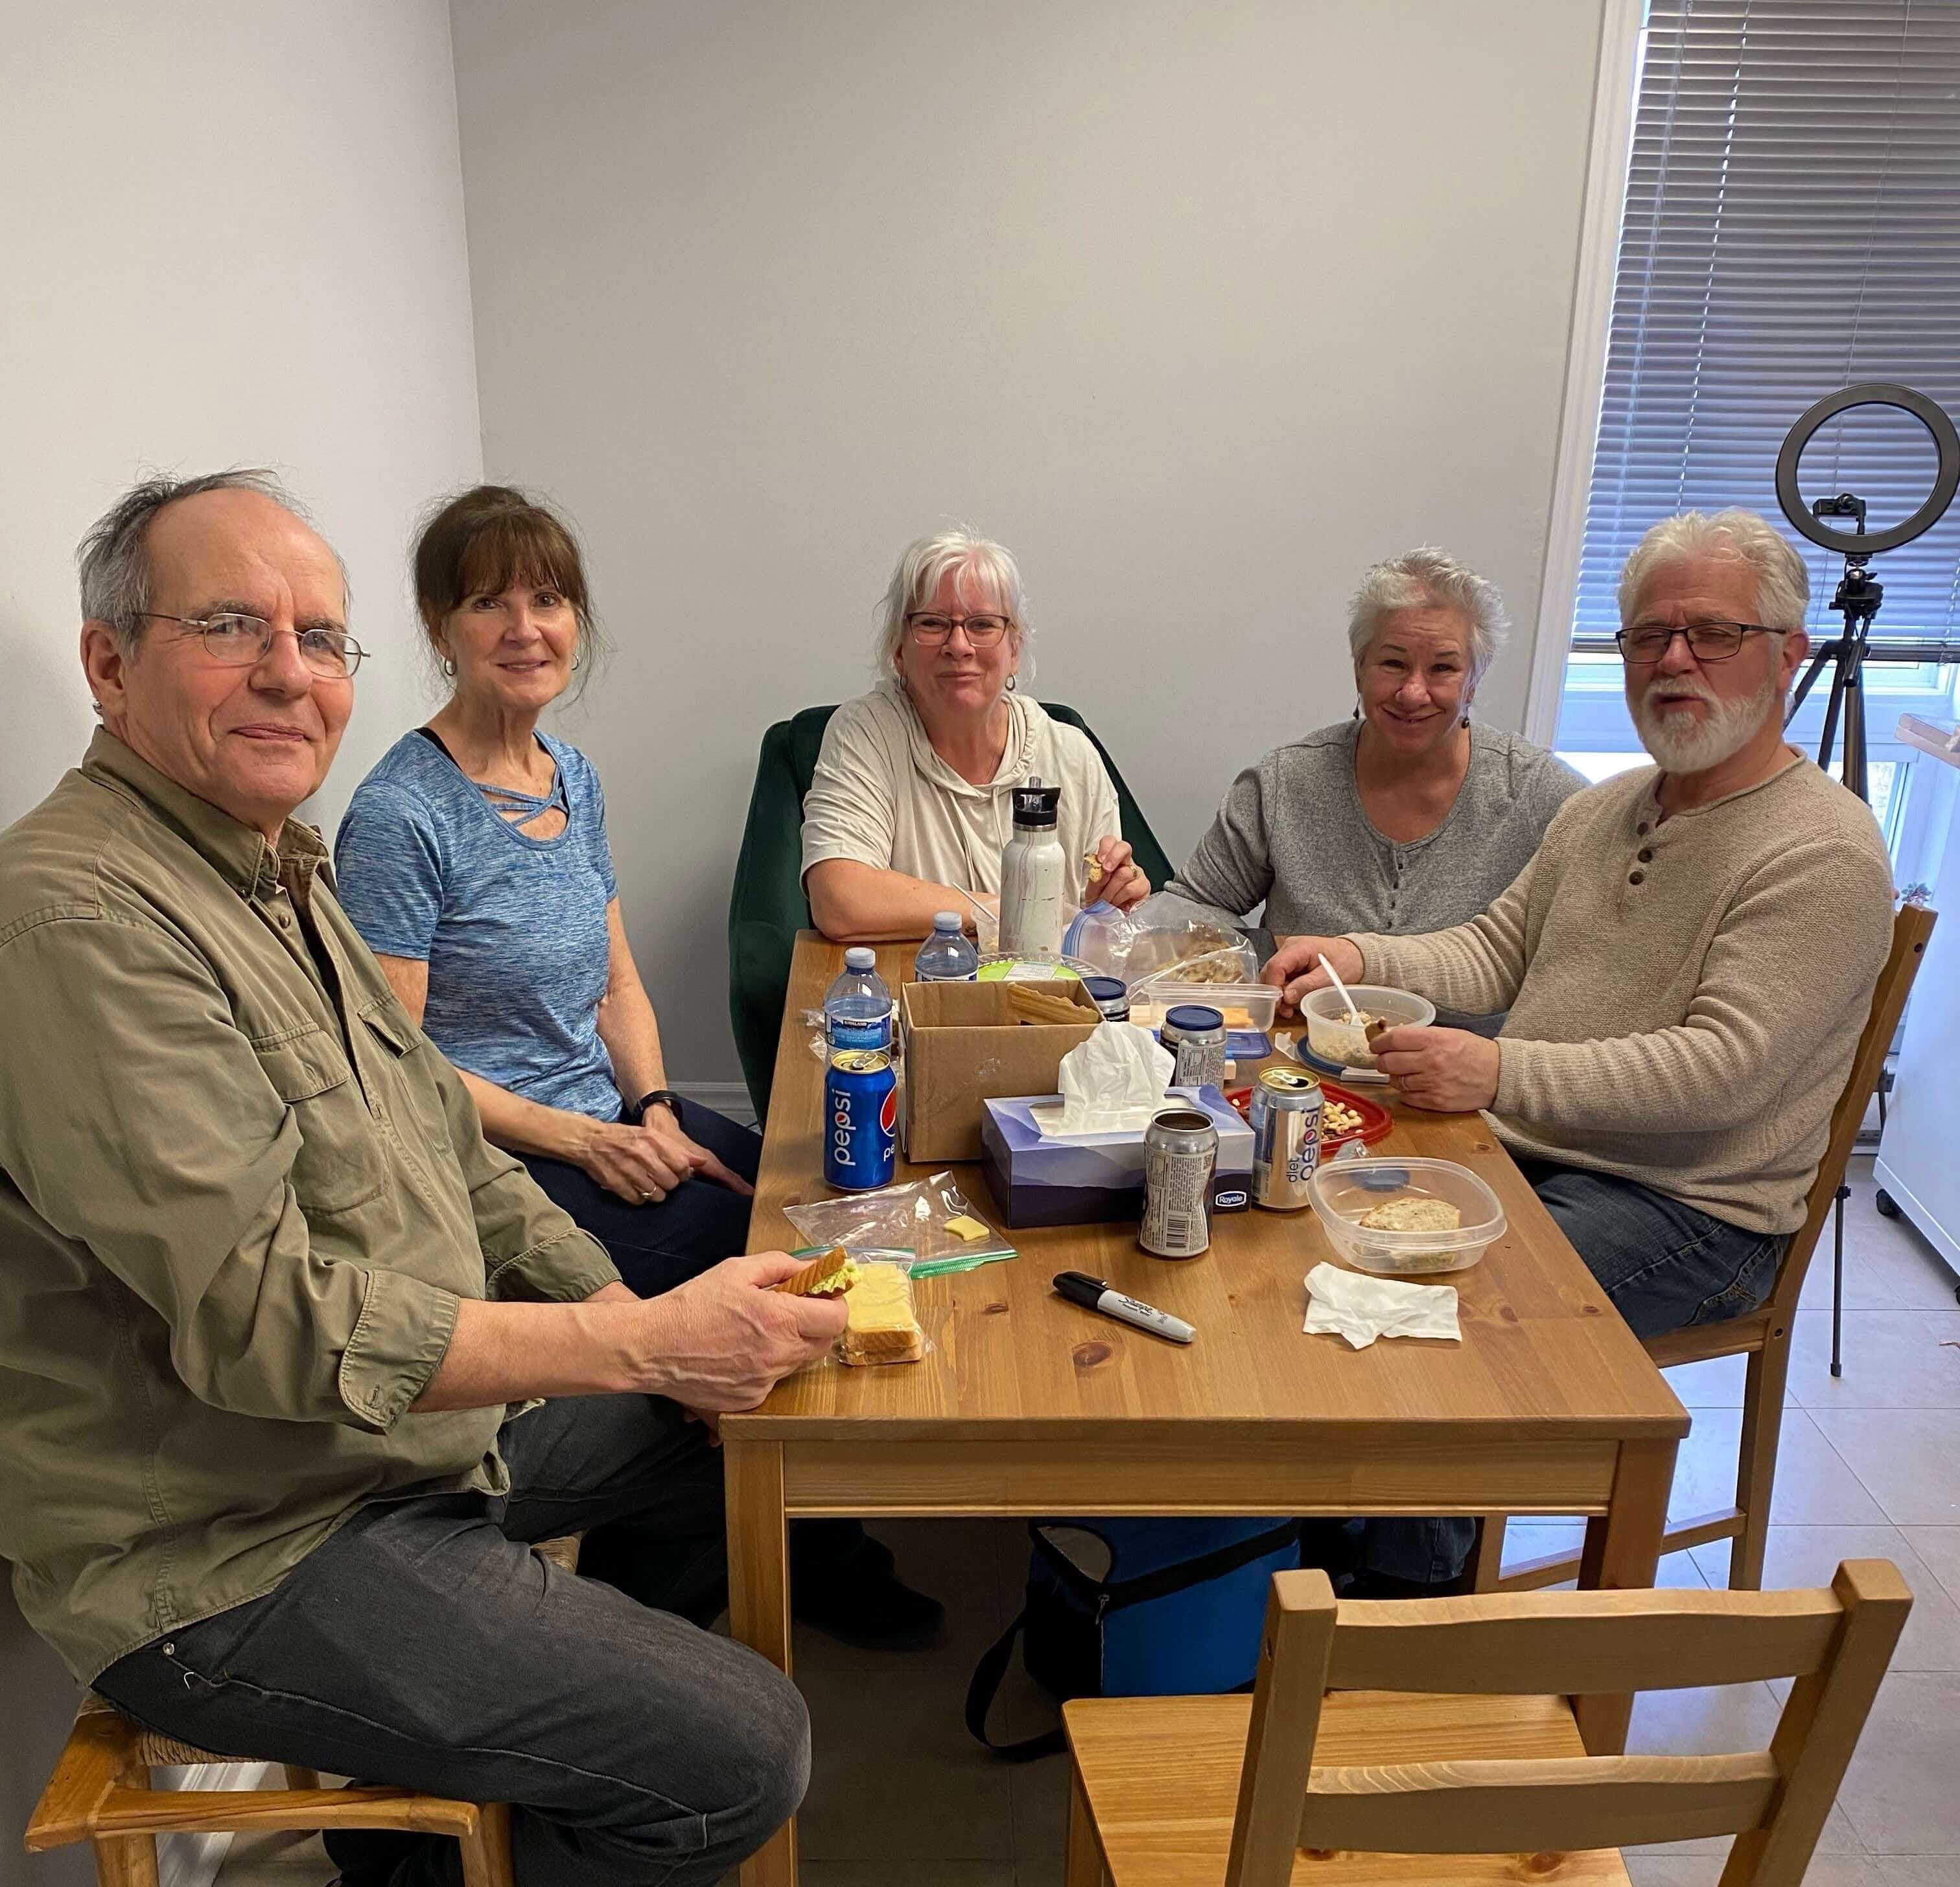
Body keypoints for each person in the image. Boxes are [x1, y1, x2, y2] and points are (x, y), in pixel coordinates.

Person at [0, 472, 839, 1887]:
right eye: (228, 626)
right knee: (749, 1750)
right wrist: (633, 1334)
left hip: (395, 1444)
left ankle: (497, 1761)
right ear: (108, 663)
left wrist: (650, 1340)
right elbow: (271, 1324)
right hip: (239, 1544)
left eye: (321, 640)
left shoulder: (279, 867)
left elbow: (457, 1160)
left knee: (738, 1433)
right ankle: (540, 1735)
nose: (288, 673)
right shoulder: (78, 917)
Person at [333, 483, 940, 1650]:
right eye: (488, 600)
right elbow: (397, 1069)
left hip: (610, 1118)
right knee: (753, 1279)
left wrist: (655, 1104)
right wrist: (587, 1139)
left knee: (822, 1211)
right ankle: (673, 1583)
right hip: (497, 1168)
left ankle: (777, 1530)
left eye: (548, 598)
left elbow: (616, 983)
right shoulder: (401, 817)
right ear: (437, 624)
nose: (525, 626)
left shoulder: (571, 776)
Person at [1270, 509, 1895, 1339]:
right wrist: (1358, 952)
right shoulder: (1603, 808)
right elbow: (1497, 951)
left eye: (1713, 633)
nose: (1674, 660)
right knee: (1297, 1224)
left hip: (1691, 1212)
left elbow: (1722, 1072)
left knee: (1404, 1315)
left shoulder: (1824, 850)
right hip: (1531, 1149)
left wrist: (1496, 1071)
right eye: (1649, 635)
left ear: (1788, 655)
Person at [1169, 546, 1583, 1029]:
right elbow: (1189, 909)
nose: (1413, 692)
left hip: (1461, 1087)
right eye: (1392, 664)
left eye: (1443, 669)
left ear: (1474, 681)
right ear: (1359, 669)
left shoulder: (1542, 797)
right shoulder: (1285, 783)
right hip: (1295, 1069)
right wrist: (1258, 955)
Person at [802, 527, 1151, 942]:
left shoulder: (1071, 754)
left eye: (983, 625)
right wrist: (1008, 910)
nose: (959, 645)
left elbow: (1103, 930)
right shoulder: (865, 734)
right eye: (932, 624)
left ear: (1015, 650)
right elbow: (842, 901)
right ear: (898, 650)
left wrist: (1109, 904)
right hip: (915, 993)